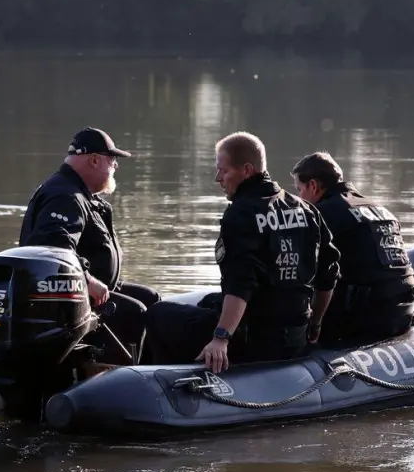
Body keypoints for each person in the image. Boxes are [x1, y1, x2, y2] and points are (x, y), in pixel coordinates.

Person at [143, 132, 340, 372]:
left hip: (253, 341)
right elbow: (328, 274)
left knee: (156, 314)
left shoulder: (241, 214)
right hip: (295, 336)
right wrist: (315, 325)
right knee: (208, 301)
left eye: (223, 171)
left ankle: (167, 384)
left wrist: (221, 338)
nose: (218, 178)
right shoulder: (307, 210)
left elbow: (241, 281)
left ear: (246, 170)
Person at [18, 127, 159, 362]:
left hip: (92, 292)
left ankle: (157, 374)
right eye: (112, 159)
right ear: (94, 160)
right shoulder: (65, 196)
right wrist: (88, 280)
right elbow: (51, 249)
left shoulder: (79, 193)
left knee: (149, 298)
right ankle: (120, 381)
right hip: (70, 302)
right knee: (134, 311)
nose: (115, 166)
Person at [290, 152, 414, 346]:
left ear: (313, 186)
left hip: (367, 318)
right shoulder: (381, 210)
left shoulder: (321, 214)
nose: (300, 197)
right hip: (406, 310)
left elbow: (308, 274)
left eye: (299, 189)